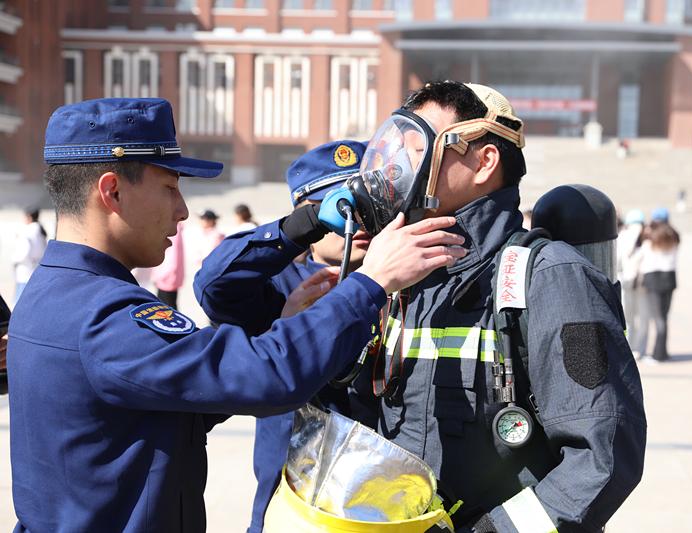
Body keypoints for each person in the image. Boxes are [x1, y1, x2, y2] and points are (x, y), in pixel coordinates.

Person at [198, 81, 647, 532]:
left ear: (484, 162)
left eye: (415, 151)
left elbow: (602, 459)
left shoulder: (551, 276)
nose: (395, 168)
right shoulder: (403, 276)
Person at [6, 97, 466, 532]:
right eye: (169, 187)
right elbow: (266, 377)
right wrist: (372, 282)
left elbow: (188, 400)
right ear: (112, 191)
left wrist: (287, 326)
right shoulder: (102, 317)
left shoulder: (54, 294)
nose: (182, 210)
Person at [247, 139, 374, 533]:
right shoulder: (277, 285)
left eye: (366, 205)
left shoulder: (403, 282)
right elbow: (213, 285)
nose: (358, 220)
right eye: (340, 208)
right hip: (291, 496)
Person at [634, 209, 680, 363]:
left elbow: (640, 255)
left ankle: (658, 355)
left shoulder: (651, 238)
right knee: (664, 317)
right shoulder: (674, 236)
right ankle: (663, 352)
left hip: (653, 278)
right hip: (669, 278)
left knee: (658, 319)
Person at [618, 209, 647, 354]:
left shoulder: (646, 239)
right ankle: (635, 348)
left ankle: (635, 349)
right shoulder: (626, 236)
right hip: (634, 283)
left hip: (635, 283)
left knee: (634, 318)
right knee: (636, 318)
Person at [10, 206, 48, 305]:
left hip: (25, 269)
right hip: (36, 268)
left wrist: (15, 260)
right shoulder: (40, 230)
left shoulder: (27, 231)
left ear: (29, 217)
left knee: (20, 302)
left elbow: (24, 251)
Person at [150, 220, 185, 309]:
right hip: (167, 275)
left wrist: (159, 276)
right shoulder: (173, 228)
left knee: (167, 307)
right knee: (167, 305)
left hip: (167, 276)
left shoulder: (173, 229)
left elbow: (173, 255)